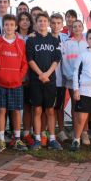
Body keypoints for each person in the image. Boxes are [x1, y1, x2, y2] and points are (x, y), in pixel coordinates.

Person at [0, 14, 29, 153]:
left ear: (16, 27)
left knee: (16, 111)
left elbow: (25, 64)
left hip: (16, 83)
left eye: (12, 25)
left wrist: (19, 76)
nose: (9, 27)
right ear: (3, 26)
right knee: (1, 110)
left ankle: (17, 139)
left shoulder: (21, 43)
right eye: (6, 24)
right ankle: (1, 140)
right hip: (1, 83)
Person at [26, 12, 63, 150]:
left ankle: (52, 139)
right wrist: (40, 74)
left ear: (48, 23)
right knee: (37, 109)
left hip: (50, 80)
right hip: (36, 80)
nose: (42, 23)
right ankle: (37, 138)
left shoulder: (54, 40)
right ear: (36, 23)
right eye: (40, 21)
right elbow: (30, 59)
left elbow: (56, 59)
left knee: (50, 110)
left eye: (44, 21)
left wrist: (47, 74)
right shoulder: (31, 39)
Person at [62, 20, 88, 142]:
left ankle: (84, 132)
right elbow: (65, 62)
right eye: (74, 27)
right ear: (71, 29)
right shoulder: (67, 43)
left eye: (79, 26)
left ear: (82, 28)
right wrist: (70, 76)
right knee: (75, 104)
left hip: (86, 81)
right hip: (72, 80)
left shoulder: (87, 43)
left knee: (85, 106)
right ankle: (75, 129)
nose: (77, 28)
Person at [16, 12, 35, 146]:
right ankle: (14, 133)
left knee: (28, 106)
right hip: (15, 77)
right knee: (15, 108)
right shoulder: (13, 35)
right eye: (21, 19)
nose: (24, 22)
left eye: (27, 20)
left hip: (30, 76)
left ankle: (27, 133)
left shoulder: (33, 37)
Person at [50, 13, 69, 142]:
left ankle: (61, 131)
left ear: (62, 25)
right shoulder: (44, 38)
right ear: (50, 24)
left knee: (59, 107)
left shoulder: (66, 39)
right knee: (49, 107)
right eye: (53, 23)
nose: (56, 26)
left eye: (58, 23)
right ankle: (47, 131)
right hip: (48, 79)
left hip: (61, 79)